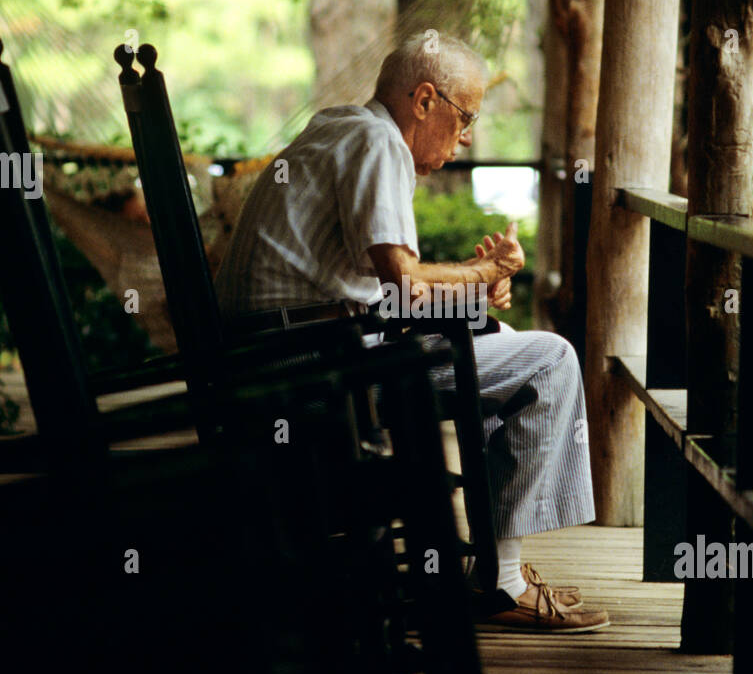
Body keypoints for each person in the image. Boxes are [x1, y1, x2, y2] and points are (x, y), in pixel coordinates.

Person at [215, 32, 609, 632]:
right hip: (313, 372)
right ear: (425, 100)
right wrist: (485, 271)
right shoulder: (378, 143)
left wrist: (476, 293)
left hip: (281, 357)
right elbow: (400, 283)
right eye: (466, 116)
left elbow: (381, 292)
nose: (469, 135)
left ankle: (497, 568)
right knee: (550, 359)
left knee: (500, 339)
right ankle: (500, 581)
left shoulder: (340, 129)